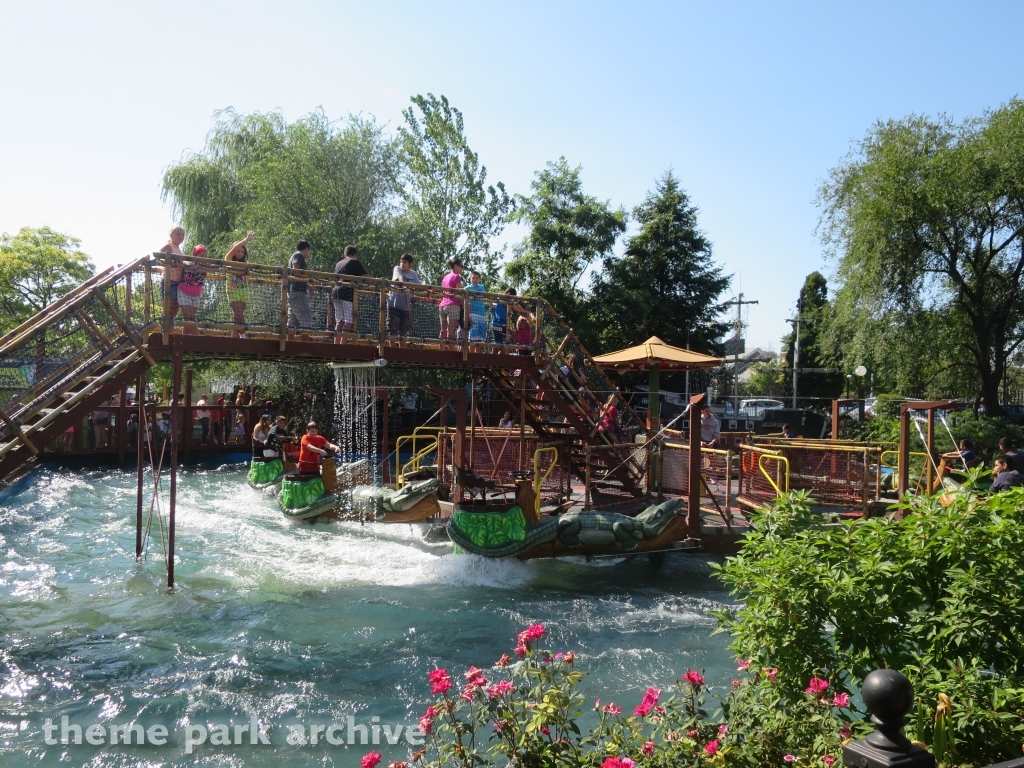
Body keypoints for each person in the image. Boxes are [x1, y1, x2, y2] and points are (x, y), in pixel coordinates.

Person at [332, 245, 368, 341]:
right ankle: (342, 346)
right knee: (348, 320)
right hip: (346, 292)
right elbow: (365, 276)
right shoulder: (354, 261)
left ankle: (336, 345)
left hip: (335, 292)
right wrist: (377, 282)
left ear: (345, 255)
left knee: (339, 320)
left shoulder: (338, 263)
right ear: (355, 255)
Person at [224, 231, 254, 337]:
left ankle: (234, 340)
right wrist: (246, 240)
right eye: (238, 251)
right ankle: (243, 336)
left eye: (242, 251)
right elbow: (232, 251)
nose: (240, 253)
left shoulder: (245, 264)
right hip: (233, 290)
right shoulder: (228, 261)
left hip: (243, 291)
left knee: (237, 317)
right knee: (239, 313)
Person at [387, 253, 421, 346]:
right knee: (392, 328)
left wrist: (430, 289)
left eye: (405, 262)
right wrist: (408, 288)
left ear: (410, 264)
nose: (402, 264)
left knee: (403, 330)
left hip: (405, 307)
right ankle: (392, 350)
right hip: (394, 304)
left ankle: (401, 351)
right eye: (401, 261)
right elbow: (401, 280)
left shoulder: (413, 274)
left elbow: (420, 285)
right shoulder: (397, 269)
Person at [177, 246, 209, 334]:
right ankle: (197, 341)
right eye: (201, 255)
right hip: (184, 292)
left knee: (188, 320)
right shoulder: (189, 262)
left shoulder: (206, 266)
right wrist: (194, 265)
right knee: (189, 317)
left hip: (196, 294)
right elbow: (186, 263)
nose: (204, 258)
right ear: (195, 255)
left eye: (205, 256)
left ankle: (184, 342)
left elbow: (215, 267)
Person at [159, 226, 185, 322]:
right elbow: (159, 255)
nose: (181, 236)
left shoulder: (179, 250)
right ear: (171, 235)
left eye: (183, 234)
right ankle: (165, 330)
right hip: (169, 281)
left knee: (175, 307)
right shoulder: (169, 246)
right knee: (168, 307)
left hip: (177, 282)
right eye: (178, 233)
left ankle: (169, 330)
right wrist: (172, 262)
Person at [287, 240, 313, 336]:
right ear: (306, 248)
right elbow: (296, 271)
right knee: (306, 322)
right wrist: (308, 277)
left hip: (293, 292)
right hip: (298, 293)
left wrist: (307, 285)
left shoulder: (294, 255)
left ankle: (288, 347)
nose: (308, 253)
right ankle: (305, 348)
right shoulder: (298, 255)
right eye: (308, 250)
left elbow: (296, 276)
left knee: (292, 323)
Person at [439, 258, 464, 349]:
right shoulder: (457, 277)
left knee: (443, 330)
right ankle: (451, 355)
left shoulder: (445, 277)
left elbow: (443, 291)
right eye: (461, 266)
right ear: (456, 266)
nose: (462, 269)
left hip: (442, 305)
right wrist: (465, 306)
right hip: (453, 305)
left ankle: (441, 352)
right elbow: (458, 294)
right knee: (451, 331)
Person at [467, 270, 487, 347]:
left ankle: (477, 354)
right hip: (472, 313)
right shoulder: (467, 288)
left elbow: (486, 296)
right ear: (470, 279)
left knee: (480, 338)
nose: (475, 280)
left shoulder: (482, 287)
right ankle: (472, 354)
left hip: (481, 313)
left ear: (480, 279)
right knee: (473, 335)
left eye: (477, 278)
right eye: (473, 278)